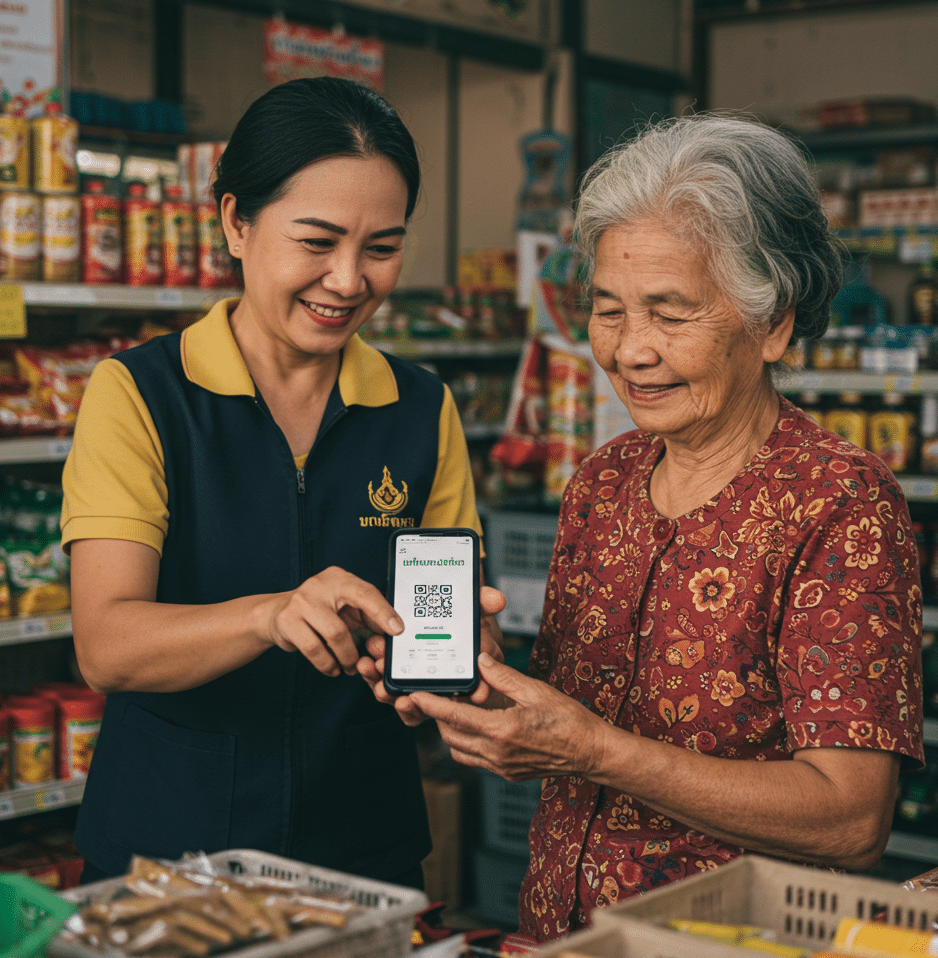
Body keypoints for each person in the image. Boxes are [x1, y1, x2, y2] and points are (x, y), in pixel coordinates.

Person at [394, 115, 925, 941]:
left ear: (773, 323)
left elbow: (851, 819)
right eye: (609, 310)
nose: (630, 350)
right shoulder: (603, 480)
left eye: (670, 315)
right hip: (562, 933)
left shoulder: (840, 504)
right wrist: (487, 677)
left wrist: (596, 751)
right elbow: (573, 718)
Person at [61, 76, 503, 887]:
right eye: (316, 241)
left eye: (381, 248)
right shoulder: (143, 396)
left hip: (363, 851)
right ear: (236, 221)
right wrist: (270, 615)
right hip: (169, 854)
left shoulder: (419, 409)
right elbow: (107, 645)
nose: (347, 280)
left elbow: (449, 616)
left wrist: (461, 661)